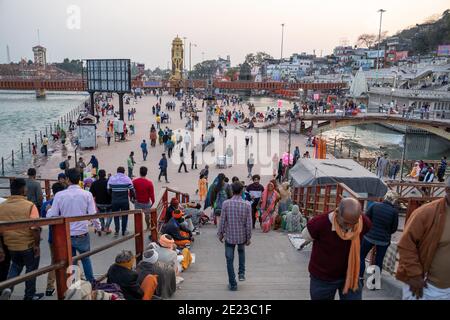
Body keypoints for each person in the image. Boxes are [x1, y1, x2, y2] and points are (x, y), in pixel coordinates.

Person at [301, 198, 372, 300]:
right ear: (337, 212)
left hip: (351, 275)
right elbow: (306, 236)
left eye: (354, 223)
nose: (350, 227)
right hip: (323, 277)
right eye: (346, 223)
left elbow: (367, 227)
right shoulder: (319, 223)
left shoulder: (363, 222)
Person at [396, 176, 450, 300]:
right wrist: (415, 275)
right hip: (426, 287)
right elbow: (405, 245)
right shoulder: (425, 213)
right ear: (447, 190)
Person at [47, 168, 101, 284]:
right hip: (82, 233)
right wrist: (98, 227)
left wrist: (48, 211)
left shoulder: (60, 195)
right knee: (86, 259)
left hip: (66, 234)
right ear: (79, 179)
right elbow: (92, 214)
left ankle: (75, 285)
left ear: (67, 179)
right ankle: (91, 282)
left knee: (72, 261)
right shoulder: (87, 194)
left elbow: (53, 215)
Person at [0, 178, 43, 300]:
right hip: (28, 244)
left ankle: (7, 288)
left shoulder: (2, 206)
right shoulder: (30, 206)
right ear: (23, 189)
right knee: (31, 269)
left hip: (11, 245)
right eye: (25, 188)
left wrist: (1, 249)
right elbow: (35, 228)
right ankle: (29, 295)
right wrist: (37, 245)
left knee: (16, 266)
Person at [218, 182, 252, 291]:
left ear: (232, 190)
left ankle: (233, 284)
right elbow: (249, 223)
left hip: (229, 236)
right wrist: (248, 237)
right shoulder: (247, 204)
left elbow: (222, 220)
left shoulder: (226, 203)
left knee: (229, 259)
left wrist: (220, 233)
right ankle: (241, 273)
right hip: (241, 236)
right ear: (242, 191)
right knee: (241, 252)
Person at [359, 190, 399, 283]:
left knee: (361, 255)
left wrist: (368, 230)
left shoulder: (374, 205)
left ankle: (360, 277)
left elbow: (366, 219)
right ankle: (374, 282)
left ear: (385, 197)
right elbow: (394, 228)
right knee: (379, 260)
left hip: (369, 236)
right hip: (383, 240)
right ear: (394, 200)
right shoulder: (394, 212)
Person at [40, 182, 66, 296]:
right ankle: (74, 283)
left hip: (53, 237)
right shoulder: (66, 203)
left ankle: (50, 287)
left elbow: (42, 218)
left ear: (52, 191)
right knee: (73, 258)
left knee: (54, 261)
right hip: (67, 235)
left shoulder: (47, 204)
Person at [108, 167, 136, 237]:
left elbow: (108, 190)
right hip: (124, 201)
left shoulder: (111, 178)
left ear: (117, 171)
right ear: (124, 171)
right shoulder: (127, 178)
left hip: (115, 201)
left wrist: (113, 195)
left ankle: (117, 231)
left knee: (116, 216)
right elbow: (132, 191)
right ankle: (123, 231)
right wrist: (133, 198)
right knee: (125, 216)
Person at [133, 166, 155, 233]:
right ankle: (148, 227)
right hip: (146, 202)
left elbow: (131, 192)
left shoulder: (134, 181)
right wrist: (153, 202)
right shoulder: (149, 183)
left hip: (137, 201)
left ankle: (138, 229)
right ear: (146, 173)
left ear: (140, 172)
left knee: (137, 215)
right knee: (147, 215)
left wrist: (133, 200)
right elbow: (152, 194)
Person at [90, 169, 113, 234]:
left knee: (100, 215)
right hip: (108, 203)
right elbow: (111, 192)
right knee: (110, 214)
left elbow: (92, 194)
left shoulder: (94, 183)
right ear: (105, 175)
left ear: (98, 175)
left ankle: (102, 226)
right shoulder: (108, 182)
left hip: (99, 203)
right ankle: (107, 227)